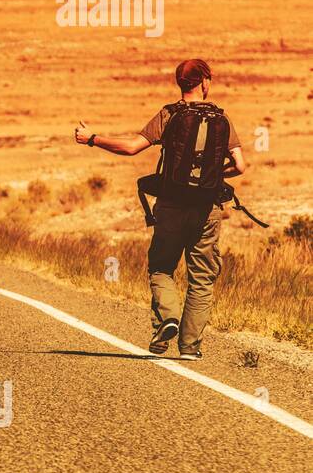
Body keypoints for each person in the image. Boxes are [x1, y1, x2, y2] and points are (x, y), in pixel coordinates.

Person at [72, 59, 244, 360]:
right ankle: (190, 347)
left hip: (171, 206)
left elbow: (130, 147)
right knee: (201, 277)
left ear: (180, 83)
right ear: (205, 82)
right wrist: (211, 176)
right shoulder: (222, 118)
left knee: (162, 267)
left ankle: (168, 318)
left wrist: (92, 139)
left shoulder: (169, 114)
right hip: (207, 208)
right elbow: (241, 166)